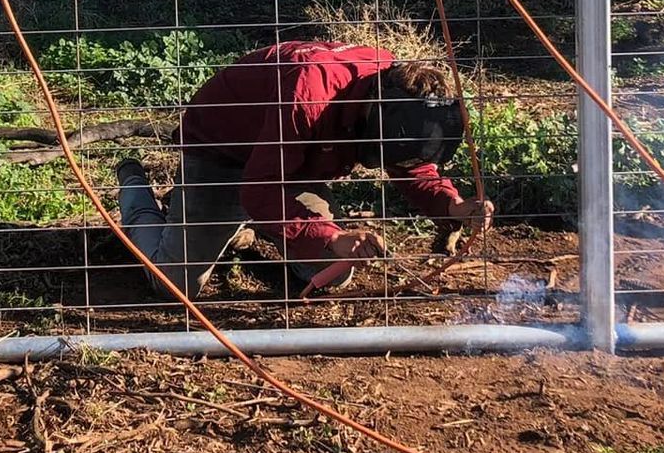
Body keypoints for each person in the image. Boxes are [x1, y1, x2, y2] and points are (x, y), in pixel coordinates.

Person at [116, 39, 491, 296]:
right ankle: (134, 186)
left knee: (334, 271)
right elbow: (260, 188)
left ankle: (244, 226)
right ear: (371, 114)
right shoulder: (309, 93)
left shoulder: (396, 98)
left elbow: (408, 158)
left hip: (292, 162)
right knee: (175, 285)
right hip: (222, 153)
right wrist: (329, 235)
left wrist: (452, 205)